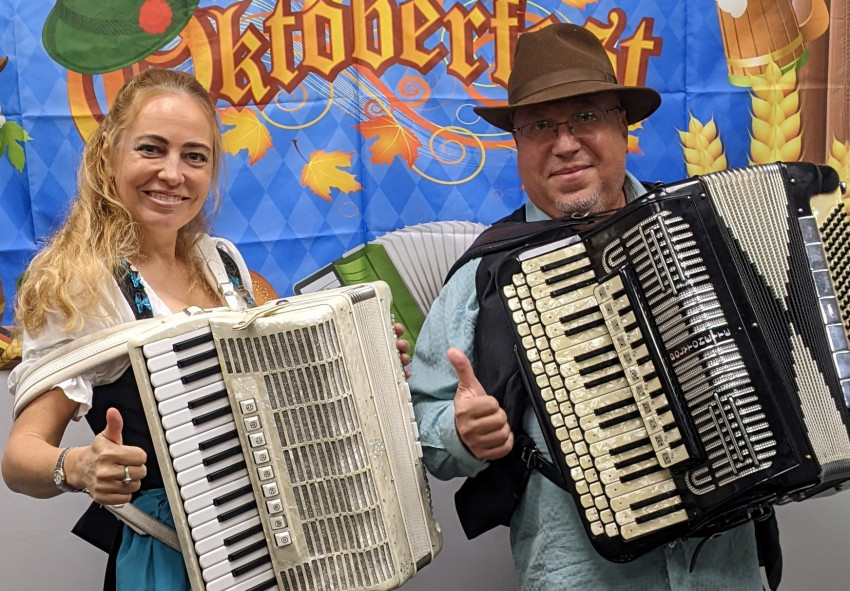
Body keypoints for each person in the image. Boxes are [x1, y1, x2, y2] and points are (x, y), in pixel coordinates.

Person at [1, 68, 411, 591]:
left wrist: (363, 364)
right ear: (107, 153)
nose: (173, 174)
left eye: (194, 156)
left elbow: (272, 399)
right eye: (152, 149)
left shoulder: (223, 264)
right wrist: (78, 466)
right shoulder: (82, 284)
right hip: (169, 555)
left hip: (274, 540)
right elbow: (20, 457)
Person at [408, 23, 765, 590]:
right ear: (519, 144)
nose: (565, 142)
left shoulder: (710, 235)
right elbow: (429, 436)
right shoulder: (482, 274)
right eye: (541, 126)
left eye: (586, 117)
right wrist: (461, 433)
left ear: (622, 126)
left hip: (726, 571)